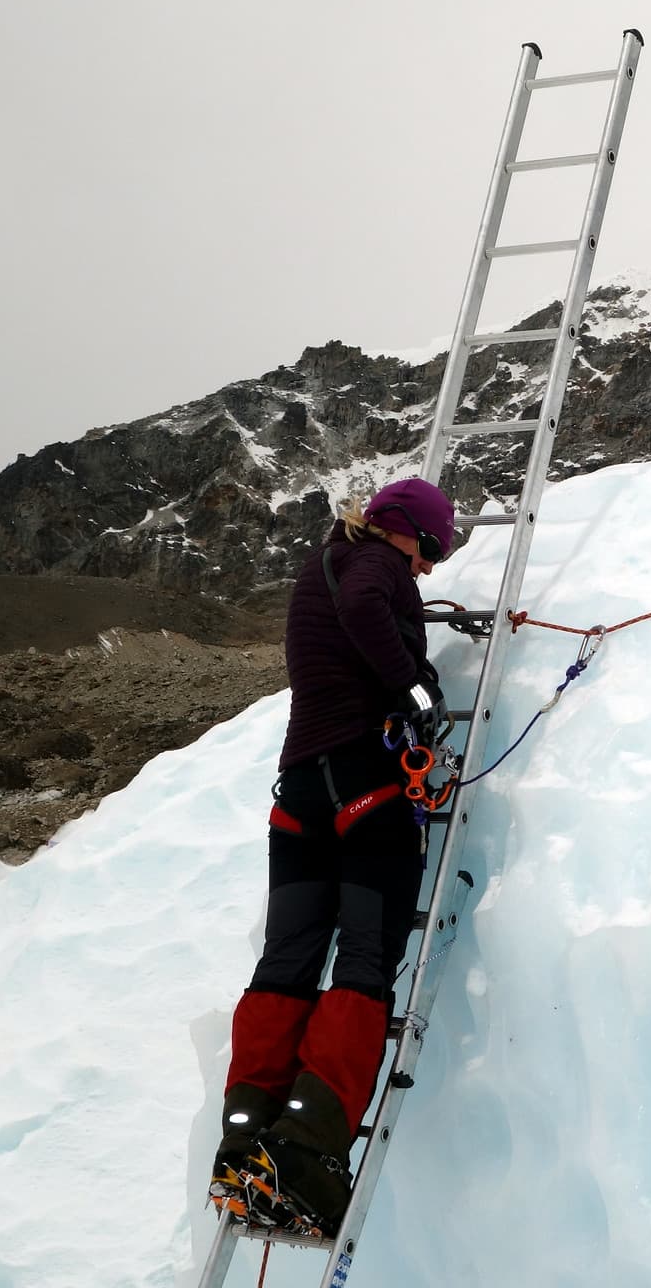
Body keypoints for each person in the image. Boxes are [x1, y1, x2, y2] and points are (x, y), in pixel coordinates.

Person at [211, 476, 456, 1231]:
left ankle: (246, 1147)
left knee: (287, 960)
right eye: (432, 550)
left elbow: (345, 616)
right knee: (365, 956)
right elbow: (366, 607)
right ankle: (310, 1147)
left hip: (301, 793)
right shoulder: (374, 565)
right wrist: (415, 689)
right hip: (364, 782)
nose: (427, 569)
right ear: (409, 530)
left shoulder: (322, 563)